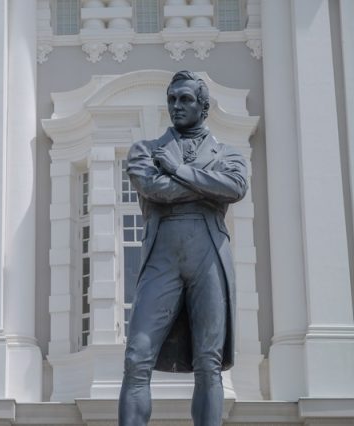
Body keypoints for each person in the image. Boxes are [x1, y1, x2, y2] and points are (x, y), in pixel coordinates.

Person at [118, 70, 248, 426]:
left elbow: (235, 188)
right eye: (172, 99)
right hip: (163, 257)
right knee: (136, 357)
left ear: (203, 107)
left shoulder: (229, 155)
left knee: (209, 361)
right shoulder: (144, 151)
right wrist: (207, 187)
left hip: (208, 255)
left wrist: (178, 170)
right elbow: (153, 189)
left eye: (186, 99)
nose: (176, 106)